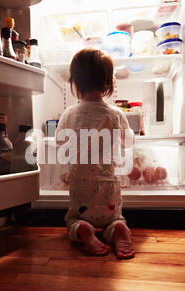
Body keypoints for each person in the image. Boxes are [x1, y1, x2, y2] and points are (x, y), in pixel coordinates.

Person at [55, 48, 135, 259]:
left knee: (73, 219)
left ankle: (83, 228)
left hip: (80, 182)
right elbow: (128, 141)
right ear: (108, 83)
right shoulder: (116, 114)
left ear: (75, 82)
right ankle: (117, 228)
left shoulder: (69, 113)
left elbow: (60, 142)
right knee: (113, 217)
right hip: (108, 181)